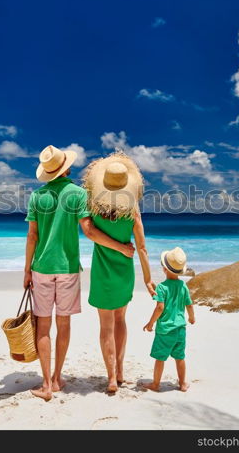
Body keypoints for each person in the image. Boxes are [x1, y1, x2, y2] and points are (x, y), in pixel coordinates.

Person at [24, 145, 135, 401]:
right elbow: (90, 231)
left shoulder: (36, 196)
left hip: (41, 268)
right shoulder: (78, 194)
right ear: (67, 167)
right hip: (69, 269)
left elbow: (32, 235)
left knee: (43, 326)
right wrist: (120, 247)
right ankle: (57, 378)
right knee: (63, 324)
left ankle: (46, 385)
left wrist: (27, 270)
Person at [83, 152, 156, 393]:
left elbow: (91, 234)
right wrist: (148, 278)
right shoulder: (132, 213)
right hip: (124, 273)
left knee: (106, 325)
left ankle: (112, 377)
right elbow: (142, 248)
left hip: (102, 274)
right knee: (120, 320)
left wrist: (117, 247)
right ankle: (121, 371)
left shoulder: (93, 210)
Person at [143, 246, 195, 392]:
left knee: (160, 358)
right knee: (180, 358)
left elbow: (160, 307)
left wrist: (150, 323)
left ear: (164, 269)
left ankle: (155, 384)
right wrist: (191, 317)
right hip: (180, 329)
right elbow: (189, 304)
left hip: (165, 331)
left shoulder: (162, 287)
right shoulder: (182, 285)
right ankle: (183, 384)